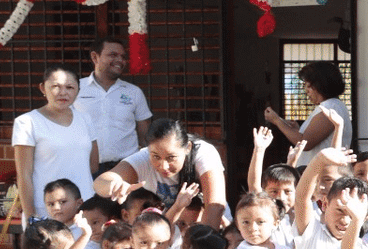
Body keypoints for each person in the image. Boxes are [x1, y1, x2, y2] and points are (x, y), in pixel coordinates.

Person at [95, 118, 227, 227]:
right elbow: (100, 183)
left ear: (188, 148)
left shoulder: (204, 153)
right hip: (166, 232)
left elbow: (215, 206)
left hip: (210, 227)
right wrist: (114, 184)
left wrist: (204, 246)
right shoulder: (143, 158)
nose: (163, 166)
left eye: (171, 158)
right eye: (156, 157)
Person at [13, 67, 98, 224]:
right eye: (56, 86)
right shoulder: (27, 122)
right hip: (47, 211)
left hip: (84, 209)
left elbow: (93, 165)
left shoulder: (85, 119)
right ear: (42, 88)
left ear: (78, 90)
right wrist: (32, 216)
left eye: (70, 87)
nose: (63, 92)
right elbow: (24, 175)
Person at [73, 35, 152, 173]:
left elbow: (145, 136)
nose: (120, 60)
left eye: (122, 56)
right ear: (95, 57)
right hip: (84, 168)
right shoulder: (74, 88)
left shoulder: (134, 92)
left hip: (125, 168)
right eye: (113, 55)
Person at [263, 60, 352, 168]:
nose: (306, 90)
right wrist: (297, 130)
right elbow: (309, 137)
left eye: (307, 85)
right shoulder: (330, 105)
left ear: (319, 84)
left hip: (323, 175)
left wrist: (277, 120)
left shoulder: (330, 107)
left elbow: (305, 142)